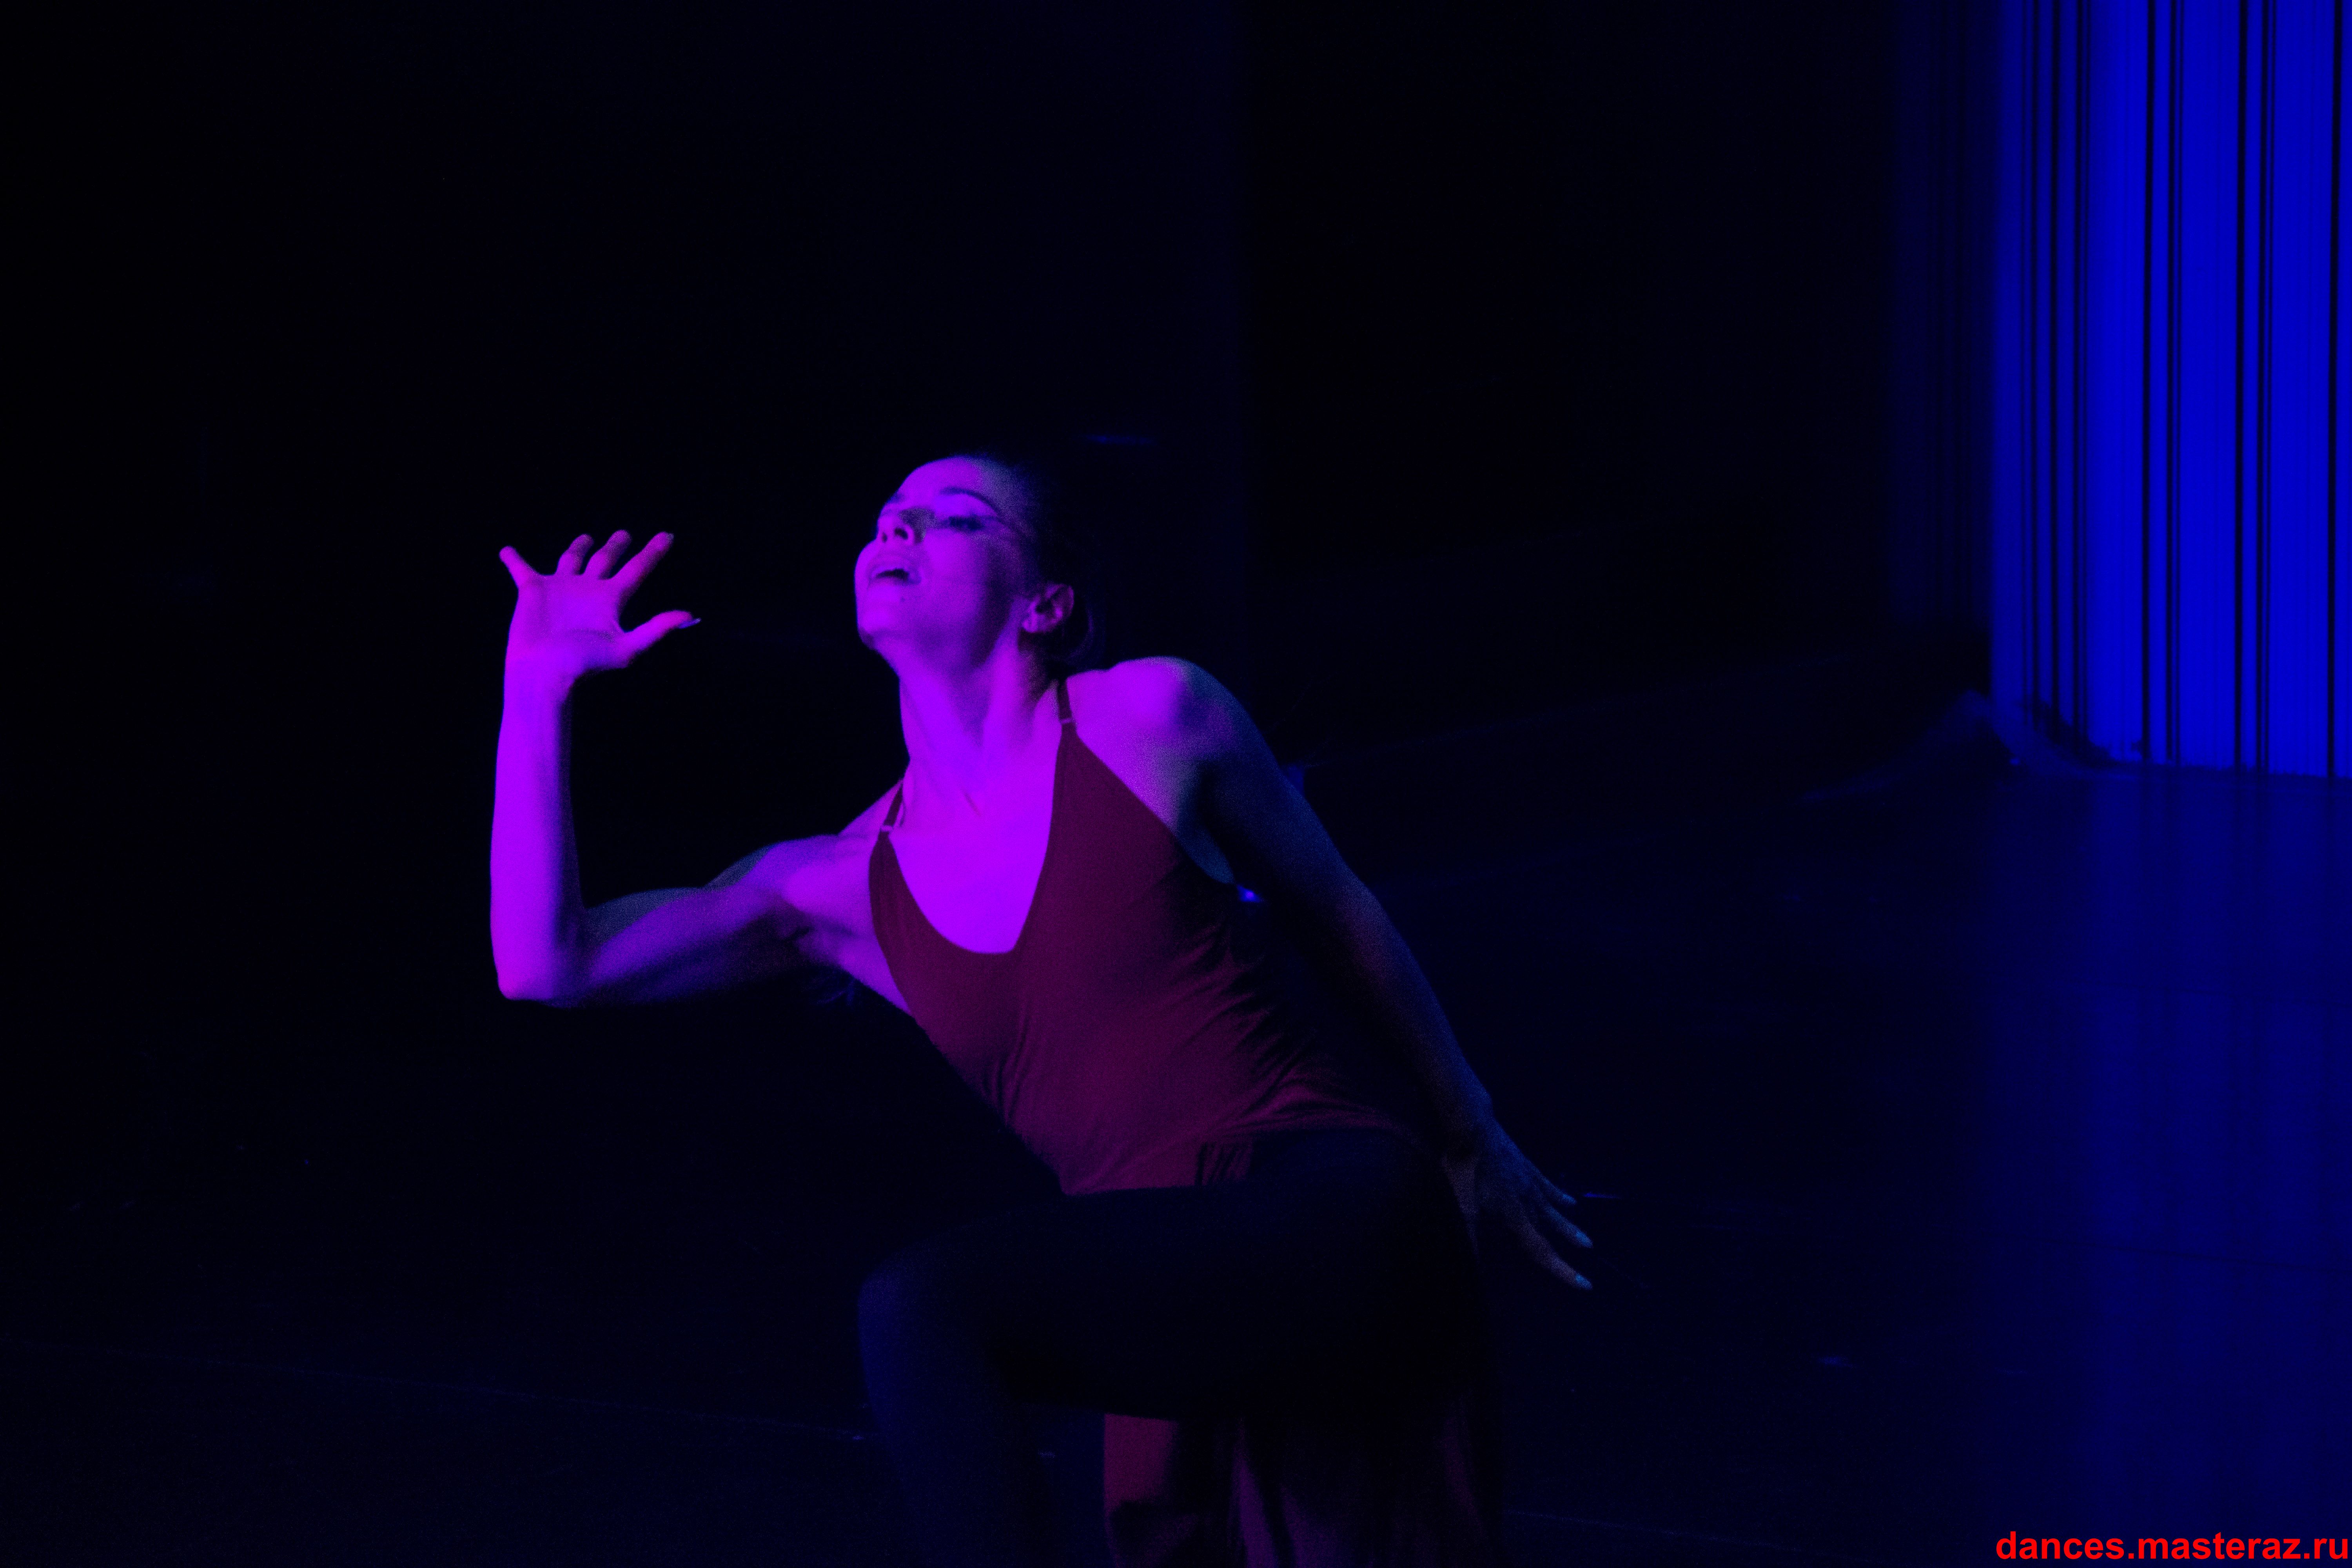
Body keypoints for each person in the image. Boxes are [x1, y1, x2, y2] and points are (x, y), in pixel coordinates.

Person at [489, 454, 1592, 1567]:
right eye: (889, 517)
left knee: (922, 1304)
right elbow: (546, 963)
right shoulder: (841, 884)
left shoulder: (1153, 714)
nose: (899, 531)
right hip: (1159, 1271)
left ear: (1046, 604)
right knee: (937, 1319)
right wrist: (535, 692)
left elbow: (1338, 909)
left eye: (954, 518)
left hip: (1329, 1197)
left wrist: (1469, 1127)